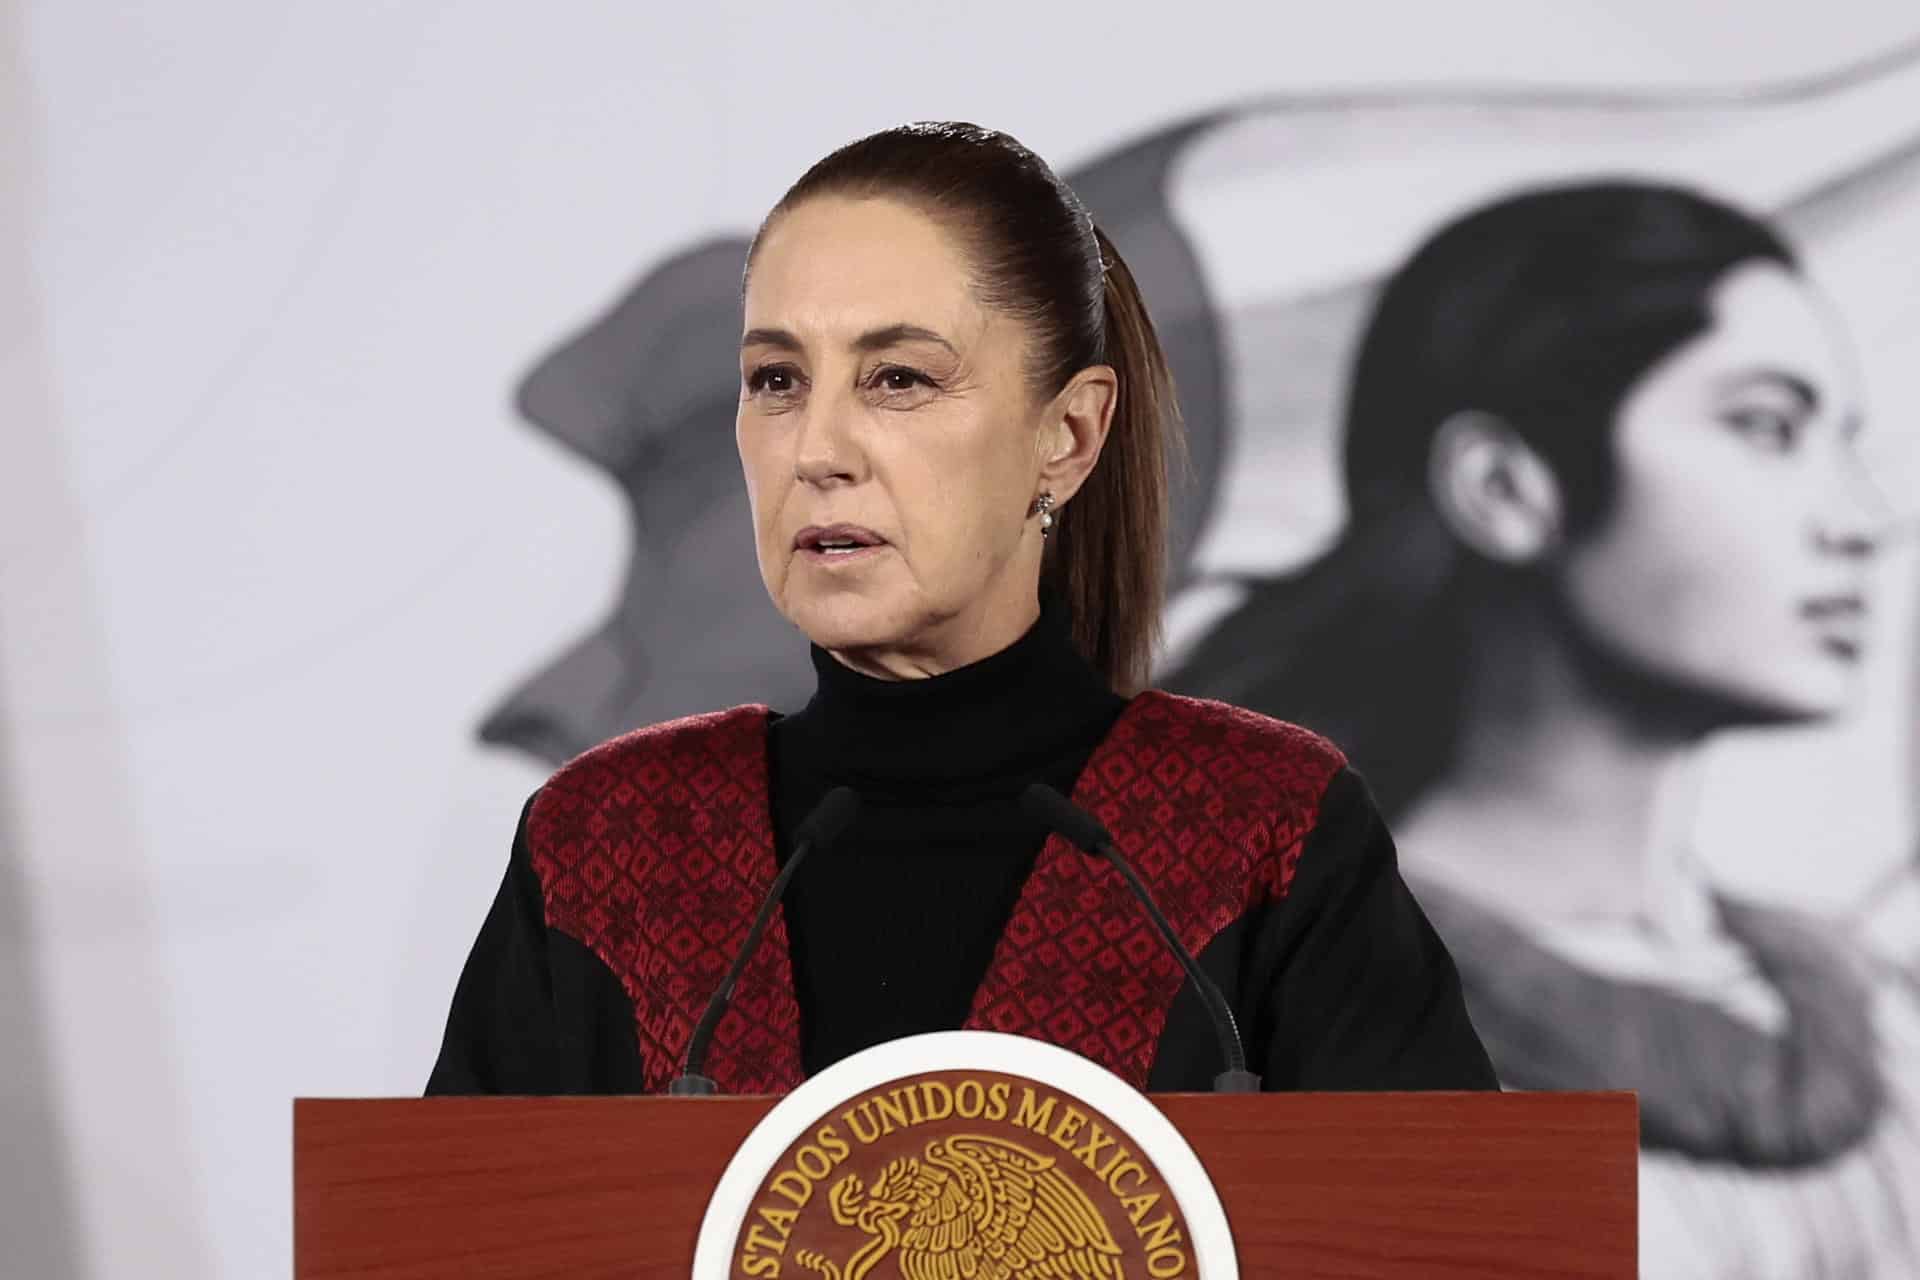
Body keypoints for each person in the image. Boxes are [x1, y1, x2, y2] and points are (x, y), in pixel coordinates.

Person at [427, 121, 1495, 1098]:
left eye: (898, 378)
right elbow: (455, 1220)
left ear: (1067, 437)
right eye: (776, 381)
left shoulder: (1263, 826)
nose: (817, 451)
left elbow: (1449, 1219)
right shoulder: (612, 842)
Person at [1167, 181, 1918, 1277]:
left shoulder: (1883, 1015)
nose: (1861, 521)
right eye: (1766, 426)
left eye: (1843, 442)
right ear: (1504, 487)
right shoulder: (1301, 1018)